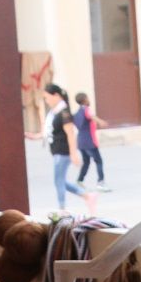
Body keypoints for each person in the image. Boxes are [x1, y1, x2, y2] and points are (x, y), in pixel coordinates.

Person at [30, 85, 96, 213]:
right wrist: (37, 136)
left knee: (59, 181)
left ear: (56, 95)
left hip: (63, 151)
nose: (46, 100)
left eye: (47, 97)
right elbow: (50, 131)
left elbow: (70, 133)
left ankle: (62, 208)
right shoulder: (54, 112)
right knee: (59, 180)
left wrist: (73, 153)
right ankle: (87, 196)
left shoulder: (64, 112)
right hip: (56, 151)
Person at [72, 92, 111, 191]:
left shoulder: (76, 113)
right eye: (87, 98)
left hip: (81, 142)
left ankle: (79, 181)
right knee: (98, 161)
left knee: (86, 162)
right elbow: (91, 116)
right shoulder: (86, 109)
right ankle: (100, 182)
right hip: (90, 142)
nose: (89, 100)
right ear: (85, 100)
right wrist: (101, 122)